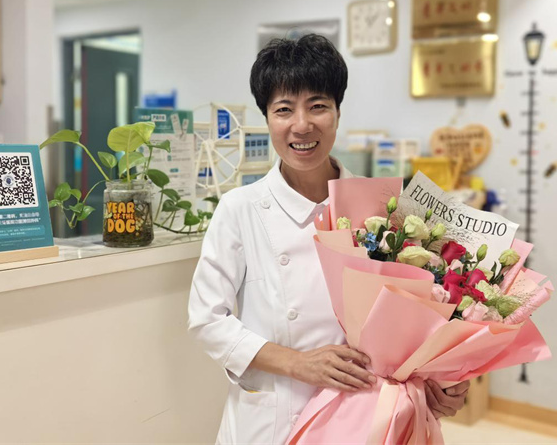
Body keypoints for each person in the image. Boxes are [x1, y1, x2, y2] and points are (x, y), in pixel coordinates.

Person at [187, 34, 469, 445]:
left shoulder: (385, 206)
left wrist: (441, 381)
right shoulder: (240, 209)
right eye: (284, 109)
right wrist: (297, 363)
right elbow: (207, 319)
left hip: (364, 417)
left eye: (318, 105)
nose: (302, 125)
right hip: (274, 418)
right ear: (267, 118)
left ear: (338, 112)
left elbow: (415, 323)